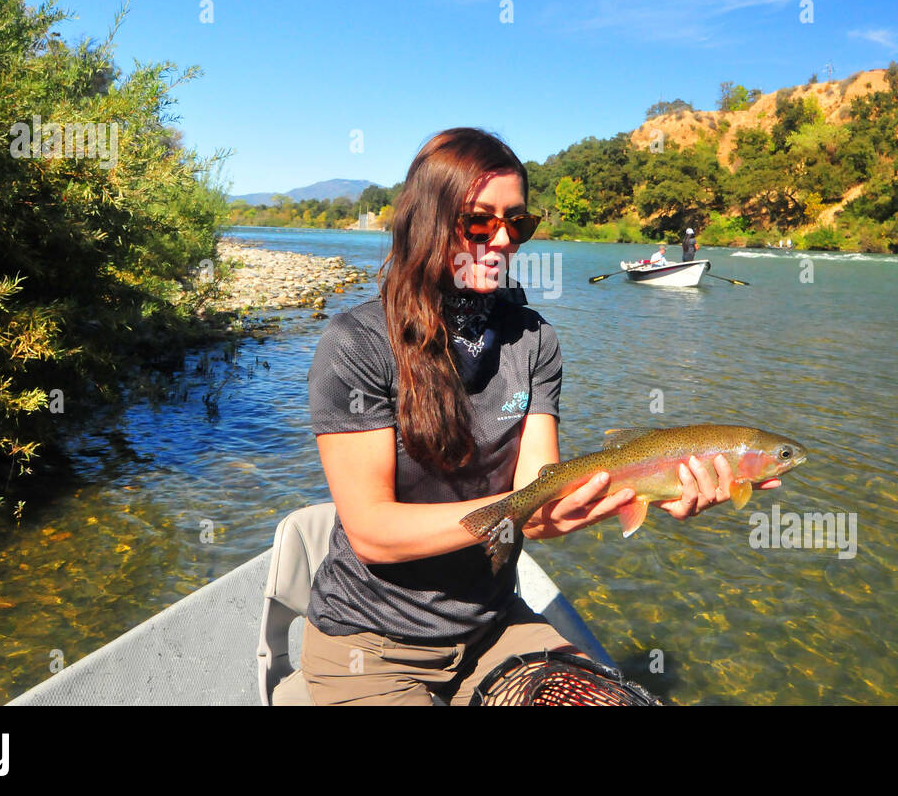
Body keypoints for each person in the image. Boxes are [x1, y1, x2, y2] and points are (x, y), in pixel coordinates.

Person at [295, 128, 769, 706]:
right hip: (370, 646)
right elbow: (372, 533)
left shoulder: (534, 340)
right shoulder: (357, 346)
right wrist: (511, 512)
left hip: (495, 629)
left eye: (517, 224)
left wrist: (641, 488)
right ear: (426, 218)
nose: (500, 240)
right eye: (479, 221)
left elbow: (537, 510)